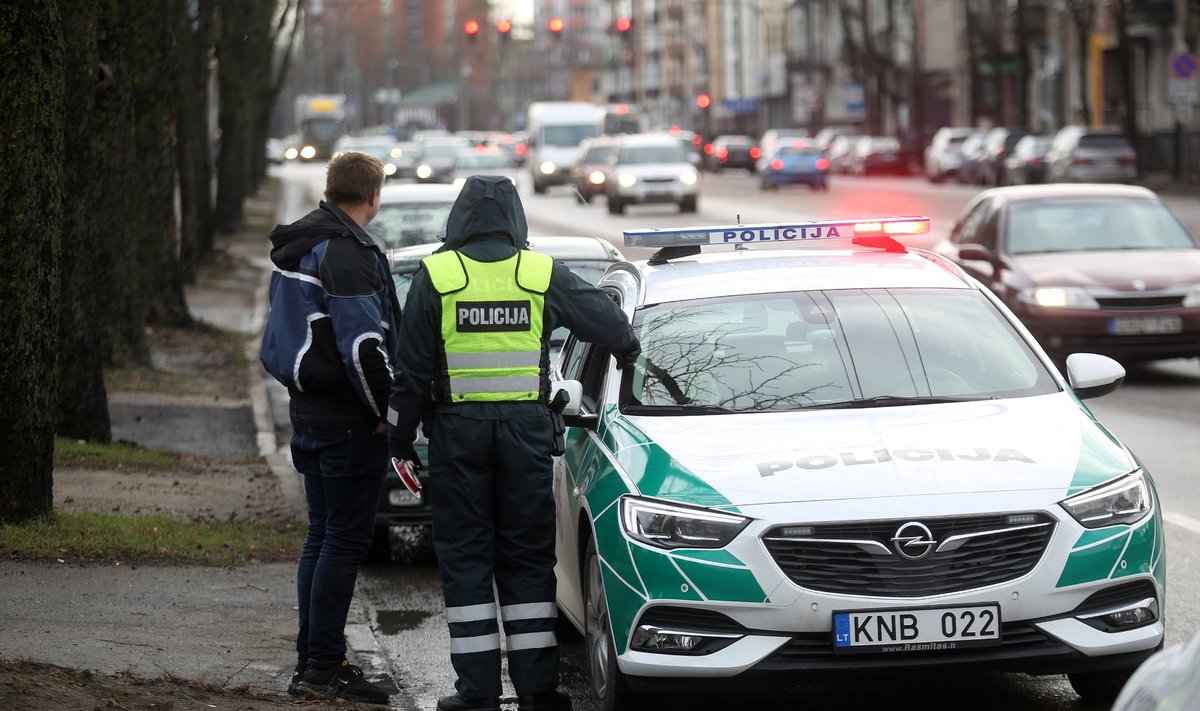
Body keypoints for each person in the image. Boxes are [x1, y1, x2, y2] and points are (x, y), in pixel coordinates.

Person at [386, 175, 640, 711]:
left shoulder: (437, 275)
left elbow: (408, 371)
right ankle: (537, 693)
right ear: (516, 219)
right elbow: (605, 319)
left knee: (466, 559)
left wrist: (399, 438)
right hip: (525, 436)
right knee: (527, 560)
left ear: (458, 220)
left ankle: (476, 694)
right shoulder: (539, 272)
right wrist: (626, 341)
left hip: (458, 438)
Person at [259, 151, 400, 705]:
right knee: (341, 540)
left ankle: (315, 660)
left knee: (321, 536)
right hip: (347, 421)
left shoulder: (305, 243)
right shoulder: (347, 253)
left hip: (308, 409)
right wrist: (388, 415)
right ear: (373, 196)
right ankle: (322, 668)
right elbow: (364, 348)